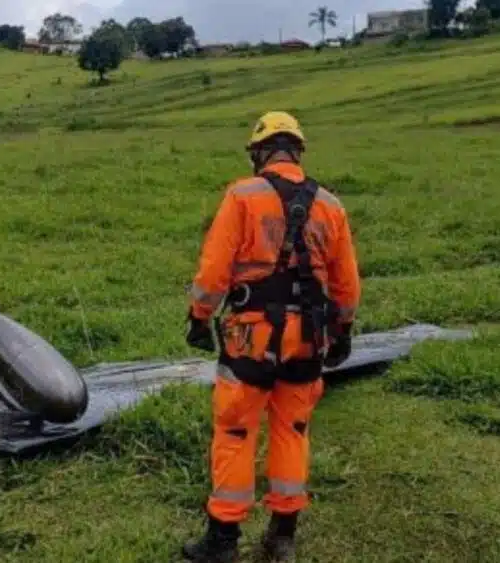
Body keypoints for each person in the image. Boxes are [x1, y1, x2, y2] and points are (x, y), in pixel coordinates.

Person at [182, 111, 361, 562]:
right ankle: (282, 535)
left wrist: (199, 317)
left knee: (236, 430)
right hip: (307, 337)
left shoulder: (242, 195)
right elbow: (346, 284)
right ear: (297, 152)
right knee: (292, 429)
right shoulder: (331, 206)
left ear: (260, 153)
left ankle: (222, 540)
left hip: (251, 335)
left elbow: (213, 271)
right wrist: (343, 330)